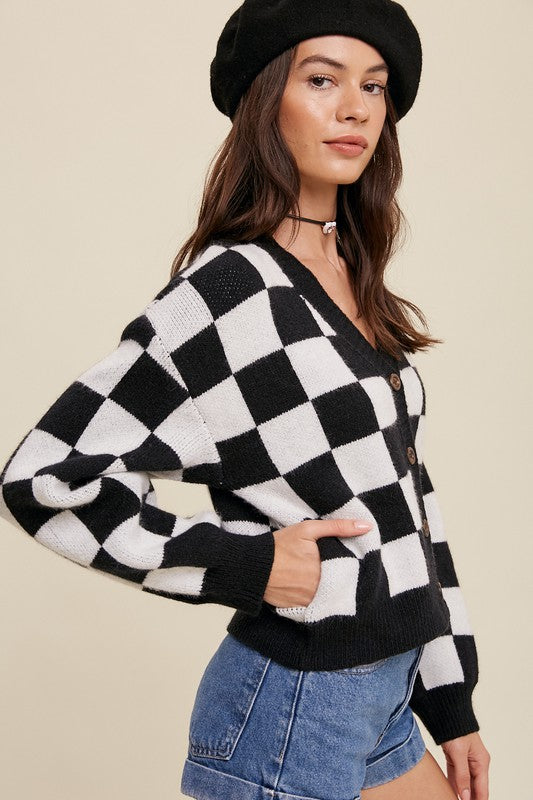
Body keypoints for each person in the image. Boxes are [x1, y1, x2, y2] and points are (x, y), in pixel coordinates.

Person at [0, 1, 491, 798]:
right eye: (321, 80)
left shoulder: (353, 279)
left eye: (372, 86)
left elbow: (404, 504)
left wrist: (450, 701)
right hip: (292, 706)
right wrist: (250, 563)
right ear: (267, 101)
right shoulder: (229, 292)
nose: (354, 108)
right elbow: (44, 479)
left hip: (384, 696)